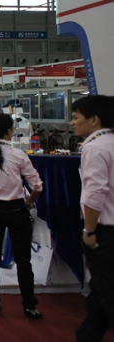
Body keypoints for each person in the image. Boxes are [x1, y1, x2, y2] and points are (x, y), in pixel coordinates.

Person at [0, 112, 43, 320]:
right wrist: (29, 202)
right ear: (9, 131)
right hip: (15, 209)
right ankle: (29, 305)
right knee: (23, 260)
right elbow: (37, 186)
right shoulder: (18, 155)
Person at [72, 95, 114, 342]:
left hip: (104, 232)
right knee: (99, 297)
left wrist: (89, 231)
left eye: (76, 117)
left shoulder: (95, 147)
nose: (73, 123)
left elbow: (95, 193)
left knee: (107, 293)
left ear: (94, 120)